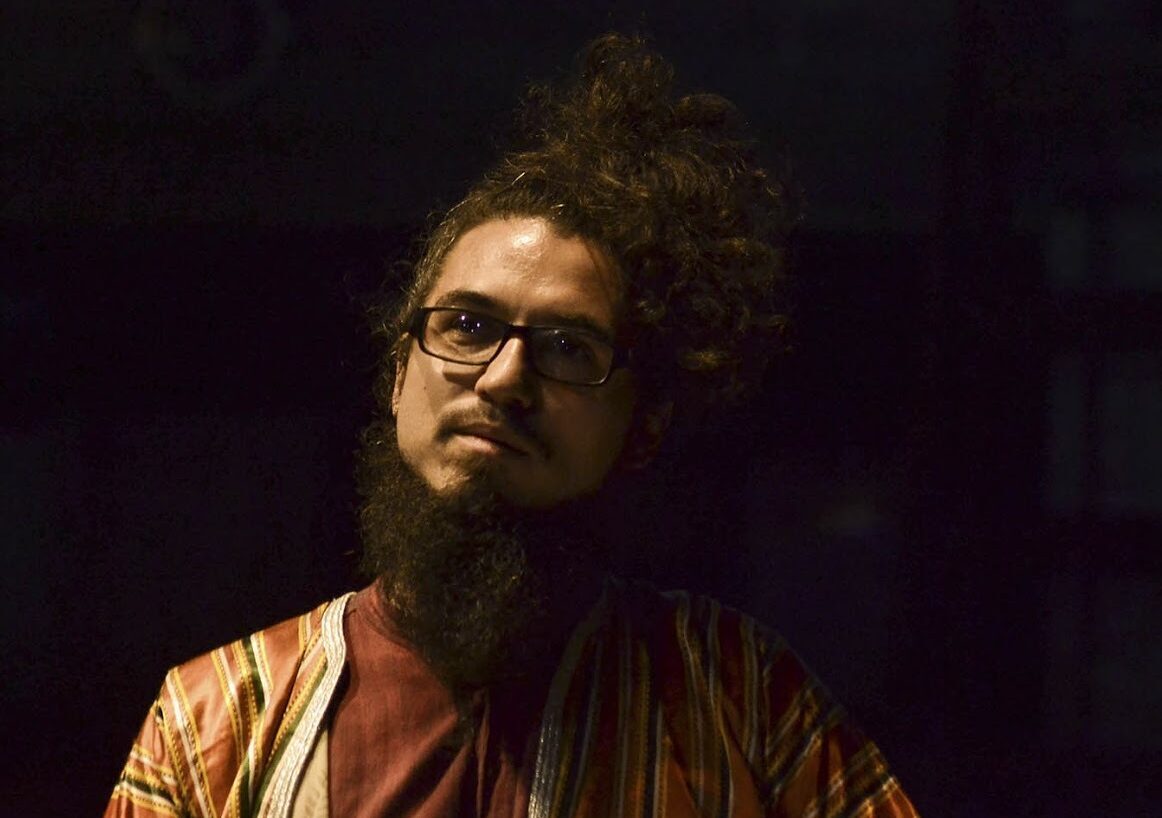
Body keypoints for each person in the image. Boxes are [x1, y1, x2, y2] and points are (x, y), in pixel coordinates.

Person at [105, 34, 919, 818]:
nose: (503, 379)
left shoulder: (742, 698)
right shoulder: (212, 722)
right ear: (399, 375)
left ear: (644, 425)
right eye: (467, 326)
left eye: (567, 348)